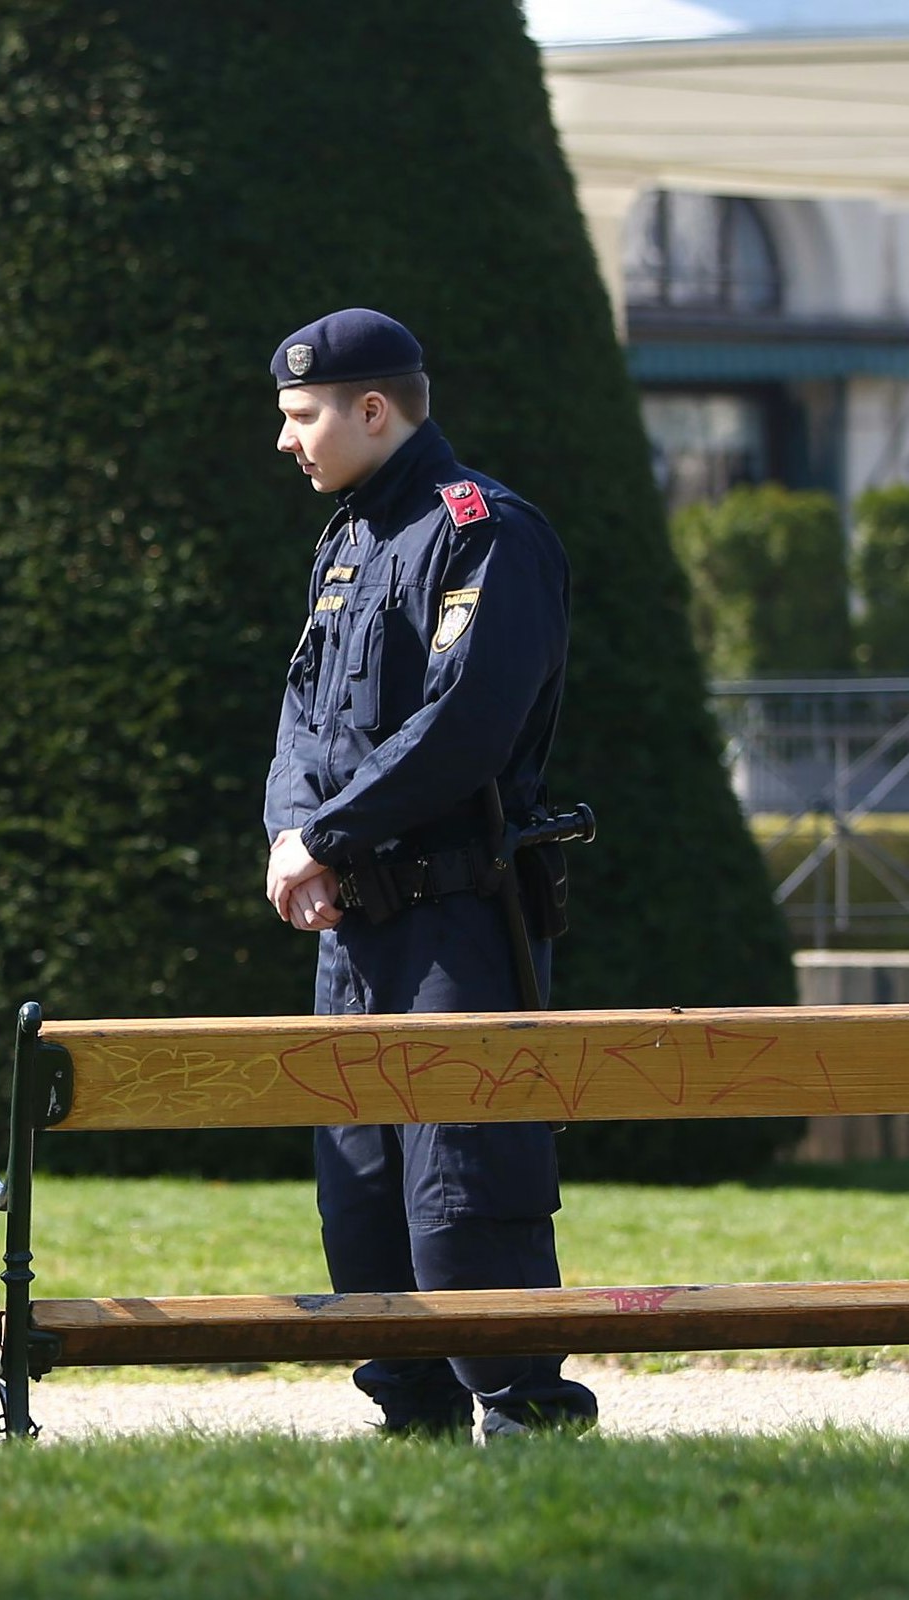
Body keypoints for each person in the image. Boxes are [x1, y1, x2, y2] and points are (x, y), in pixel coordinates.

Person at [261, 307, 599, 1441]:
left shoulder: (485, 532)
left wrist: (327, 835)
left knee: (462, 1186)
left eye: (301, 417)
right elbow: (300, 719)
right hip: (354, 930)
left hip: (456, 916)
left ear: (371, 410)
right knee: (356, 1195)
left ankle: (522, 1414)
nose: (284, 440)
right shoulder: (348, 541)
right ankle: (407, 1420)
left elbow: (465, 727)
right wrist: (286, 835)